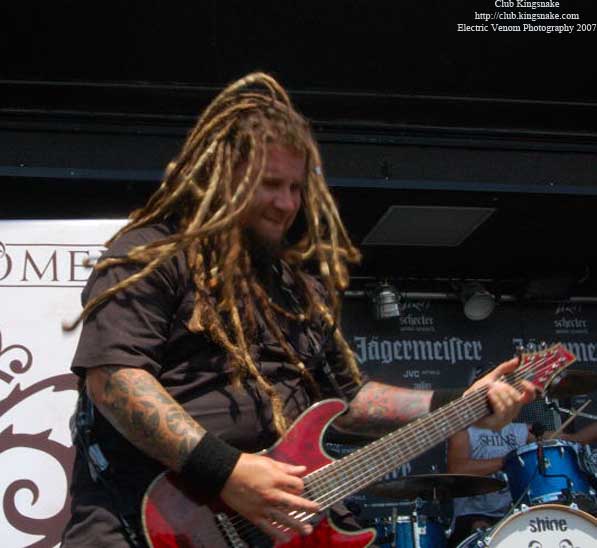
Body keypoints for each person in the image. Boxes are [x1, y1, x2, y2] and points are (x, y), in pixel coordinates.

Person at [60, 72, 535, 547]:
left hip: (278, 528)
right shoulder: (153, 253)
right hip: (150, 525)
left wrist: (461, 403)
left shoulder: (298, 289)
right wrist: (227, 472)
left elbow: (349, 402)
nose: (286, 203)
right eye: (270, 185)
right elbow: (115, 380)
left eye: (295, 187)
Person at [447, 420, 597, 546]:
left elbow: (574, 439)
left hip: (512, 513)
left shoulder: (520, 430)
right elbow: (457, 469)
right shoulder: (465, 430)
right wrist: (506, 461)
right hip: (473, 515)